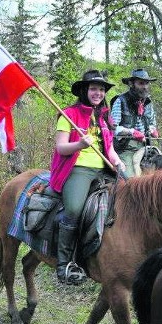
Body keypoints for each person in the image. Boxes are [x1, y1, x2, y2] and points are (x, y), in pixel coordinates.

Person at [50, 69, 125, 285]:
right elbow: (61, 148)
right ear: (84, 90)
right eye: (94, 88)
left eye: (101, 89)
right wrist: (81, 144)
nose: (98, 93)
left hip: (104, 169)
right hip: (78, 169)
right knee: (74, 209)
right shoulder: (68, 115)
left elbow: (109, 149)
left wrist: (121, 167)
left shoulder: (104, 116)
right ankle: (64, 264)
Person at [110, 68, 159, 178]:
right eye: (141, 83)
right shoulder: (120, 101)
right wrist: (131, 132)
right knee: (130, 180)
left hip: (146, 146)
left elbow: (152, 123)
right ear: (132, 84)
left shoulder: (148, 103)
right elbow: (113, 128)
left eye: (146, 83)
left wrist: (152, 129)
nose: (145, 87)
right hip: (125, 147)